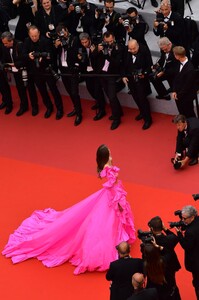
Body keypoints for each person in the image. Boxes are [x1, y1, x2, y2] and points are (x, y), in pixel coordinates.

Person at [2, 144, 136, 275]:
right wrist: (117, 201)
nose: (111, 154)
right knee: (105, 223)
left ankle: (116, 240)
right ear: (106, 155)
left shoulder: (104, 166)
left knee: (106, 220)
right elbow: (112, 183)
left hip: (109, 195)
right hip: (111, 197)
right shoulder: (108, 167)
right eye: (109, 152)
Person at [23, 25, 64, 119]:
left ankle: (60, 109)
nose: (34, 38)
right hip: (36, 72)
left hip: (47, 70)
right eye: (32, 36)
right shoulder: (26, 41)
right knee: (42, 91)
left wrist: (44, 58)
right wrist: (29, 56)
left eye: (35, 35)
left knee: (54, 90)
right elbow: (23, 55)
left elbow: (52, 55)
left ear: (39, 33)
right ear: (29, 35)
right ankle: (49, 107)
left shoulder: (46, 41)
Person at [122, 39, 153, 130]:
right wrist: (124, 76)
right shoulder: (127, 51)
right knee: (135, 97)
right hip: (131, 79)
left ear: (138, 46)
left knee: (142, 99)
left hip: (141, 80)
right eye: (130, 49)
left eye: (134, 48)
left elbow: (149, 64)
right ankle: (142, 113)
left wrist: (144, 73)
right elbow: (123, 64)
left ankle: (148, 119)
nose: (132, 51)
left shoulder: (144, 50)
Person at [78, 32, 106, 121]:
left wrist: (95, 52)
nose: (84, 44)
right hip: (87, 71)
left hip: (96, 71)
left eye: (86, 42)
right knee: (90, 88)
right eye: (82, 43)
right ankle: (98, 101)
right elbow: (83, 61)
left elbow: (99, 58)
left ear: (89, 39)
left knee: (98, 90)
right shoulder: (81, 48)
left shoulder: (96, 45)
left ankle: (102, 109)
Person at [175, 205, 199, 299]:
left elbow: (186, 246)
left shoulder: (190, 232)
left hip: (196, 263)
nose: (183, 220)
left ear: (192, 217)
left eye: (185, 218)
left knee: (197, 283)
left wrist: (179, 234)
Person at [172, 46, 197, 118]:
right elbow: (175, 78)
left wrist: (178, 95)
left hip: (186, 97)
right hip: (178, 95)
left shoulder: (190, 69)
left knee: (189, 114)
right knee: (182, 112)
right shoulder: (177, 63)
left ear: (177, 56)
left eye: (174, 54)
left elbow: (187, 86)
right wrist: (174, 91)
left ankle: (193, 127)